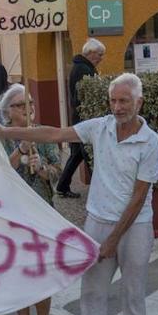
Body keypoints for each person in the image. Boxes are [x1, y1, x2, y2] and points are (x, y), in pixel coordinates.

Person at [0, 73, 158, 315]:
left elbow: (137, 199)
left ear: (139, 102)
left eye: (124, 101)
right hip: (97, 221)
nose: (118, 107)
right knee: (92, 293)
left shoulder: (151, 142)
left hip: (135, 227)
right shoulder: (100, 127)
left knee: (133, 295)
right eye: (114, 100)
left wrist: (112, 240)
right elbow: (53, 134)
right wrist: (4, 130)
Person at [0, 84, 62, 315]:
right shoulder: (0, 138)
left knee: (42, 271)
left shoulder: (41, 133)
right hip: (13, 214)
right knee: (19, 271)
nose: (28, 109)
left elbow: (58, 170)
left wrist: (44, 169)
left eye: (31, 103)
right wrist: (21, 150)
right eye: (21, 105)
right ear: (8, 111)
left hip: (41, 209)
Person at [55, 38, 105, 199]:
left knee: (77, 155)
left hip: (79, 118)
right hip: (83, 119)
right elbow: (81, 97)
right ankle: (101, 189)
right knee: (89, 156)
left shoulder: (80, 66)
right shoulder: (84, 69)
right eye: (100, 54)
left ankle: (62, 186)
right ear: (90, 53)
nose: (101, 58)